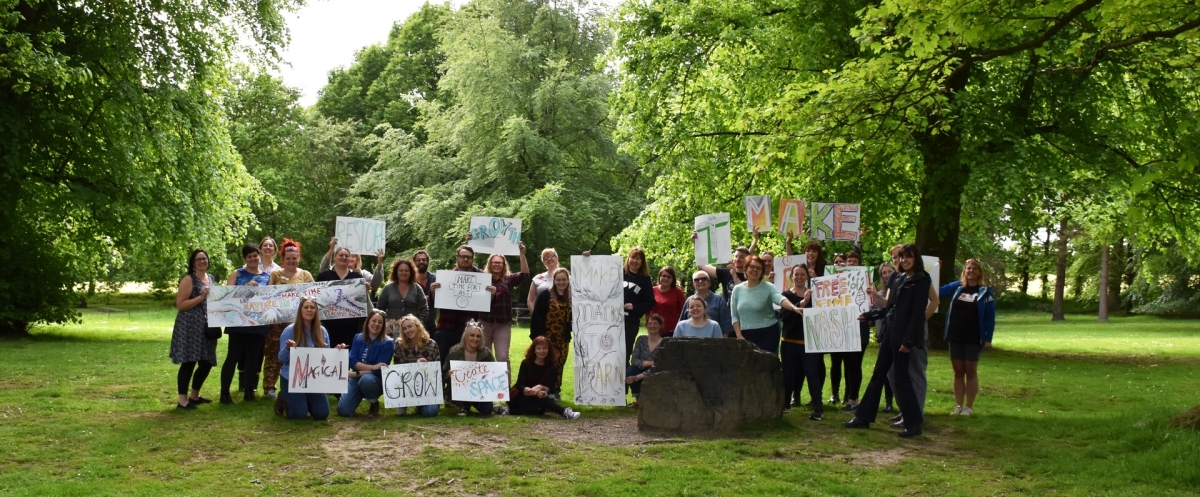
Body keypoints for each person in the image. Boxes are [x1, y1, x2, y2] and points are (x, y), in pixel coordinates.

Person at [845, 244, 937, 438]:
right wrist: (871, 314)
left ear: (916, 259)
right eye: (902, 257)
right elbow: (891, 308)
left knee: (902, 378)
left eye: (908, 257)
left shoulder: (921, 280)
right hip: (890, 333)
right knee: (879, 373)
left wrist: (909, 340)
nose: (904, 260)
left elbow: (917, 315)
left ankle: (914, 423)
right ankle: (863, 417)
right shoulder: (899, 278)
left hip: (904, 336)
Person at [939, 258, 996, 416]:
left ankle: (968, 407)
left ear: (979, 273)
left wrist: (988, 339)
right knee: (958, 371)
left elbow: (990, 318)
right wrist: (937, 269)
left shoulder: (985, 292)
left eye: (974, 269)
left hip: (973, 337)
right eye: (968, 269)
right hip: (955, 335)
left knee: (970, 371)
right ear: (964, 271)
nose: (971, 271)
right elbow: (936, 291)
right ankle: (958, 405)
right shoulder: (956, 287)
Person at [219, 243, 271, 404]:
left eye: (255, 255)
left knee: (253, 359)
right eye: (249, 256)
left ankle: (249, 392)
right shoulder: (237, 273)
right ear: (245, 259)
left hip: (257, 324)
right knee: (232, 357)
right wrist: (245, 288)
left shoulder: (267, 277)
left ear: (259, 256)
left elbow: (269, 299)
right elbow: (226, 296)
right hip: (238, 323)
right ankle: (224, 393)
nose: (253, 259)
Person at [279, 297, 346, 420]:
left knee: (322, 414)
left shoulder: (322, 331)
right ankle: (284, 398)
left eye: (312, 307)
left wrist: (336, 352)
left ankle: (304, 400)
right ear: (300, 310)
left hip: (313, 378)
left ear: (316, 311)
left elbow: (326, 359)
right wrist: (288, 349)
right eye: (306, 307)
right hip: (292, 378)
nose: (309, 310)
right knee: (299, 415)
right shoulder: (290, 330)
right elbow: (281, 359)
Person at [263, 239, 313, 401]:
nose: (291, 261)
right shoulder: (275, 274)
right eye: (288, 258)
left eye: (294, 258)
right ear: (283, 259)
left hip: (300, 322)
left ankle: (302, 382)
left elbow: (315, 296)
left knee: (302, 351)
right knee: (274, 353)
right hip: (277, 322)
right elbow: (267, 296)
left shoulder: (306, 275)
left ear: (299, 258)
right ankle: (269, 387)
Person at [169, 249, 219, 409]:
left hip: (207, 326)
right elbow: (181, 305)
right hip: (190, 326)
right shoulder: (188, 279)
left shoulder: (210, 278)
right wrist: (200, 297)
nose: (202, 261)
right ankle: (182, 401)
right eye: (199, 259)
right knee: (189, 362)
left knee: (207, 362)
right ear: (193, 262)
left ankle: (195, 395)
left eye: (204, 259)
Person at [730, 255, 805, 354]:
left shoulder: (768, 287)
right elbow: (734, 315)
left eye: (759, 268)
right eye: (752, 267)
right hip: (745, 334)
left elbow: (780, 299)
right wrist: (739, 335)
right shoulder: (737, 289)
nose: (755, 270)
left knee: (765, 365)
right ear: (746, 269)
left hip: (768, 333)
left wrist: (793, 307)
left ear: (762, 272)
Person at [429, 245, 486, 367]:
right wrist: (433, 292)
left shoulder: (481, 279)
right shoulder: (446, 278)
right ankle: (441, 385)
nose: (465, 259)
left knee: (464, 364)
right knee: (440, 362)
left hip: (467, 330)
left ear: (472, 259)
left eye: (468, 257)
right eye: (462, 257)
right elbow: (433, 303)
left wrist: (491, 294)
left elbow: (486, 304)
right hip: (445, 327)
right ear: (457, 259)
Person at [337, 310, 395, 417]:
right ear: (367, 322)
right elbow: (353, 362)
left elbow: (378, 371)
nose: (376, 324)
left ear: (383, 326)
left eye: (380, 322)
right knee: (344, 411)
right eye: (373, 321)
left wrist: (354, 374)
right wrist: (372, 367)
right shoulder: (358, 338)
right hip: (357, 378)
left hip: (375, 381)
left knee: (366, 380)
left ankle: (374, 403)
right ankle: (358, 394)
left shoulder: (388, 343)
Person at [780, 265, 821, 418]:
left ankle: (818, 409)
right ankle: (785, 404)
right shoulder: (785, 295)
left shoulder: (816, 295)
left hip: (809, 342)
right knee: (787, 374)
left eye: (802, 274)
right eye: (796, 274)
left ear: (807, 277)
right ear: (792, 276)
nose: (799, 277)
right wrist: (802, 303)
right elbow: (784, 316)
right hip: (789, 341)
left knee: (812, 374)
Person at [834, 251, 873, 414]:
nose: (850, 263)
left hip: (859, 327)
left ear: (860, 264)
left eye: (854, 261)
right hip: (843, 327)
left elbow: (872, 303)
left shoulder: (867, 281)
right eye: (848, 261)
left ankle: (853, 399)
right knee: (848, 364)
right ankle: (849, 398)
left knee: (855, 365)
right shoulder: (836, 281)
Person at [315, 245, 373, 352]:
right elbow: (317, 299)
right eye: (341, 255)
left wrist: (364, 290)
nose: (344, 257)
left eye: (347, 255)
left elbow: (361, 303)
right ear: (335, 257)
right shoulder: (324, 276)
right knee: (328, 353)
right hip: (328, 324)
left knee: (347, 354)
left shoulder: (357, 277)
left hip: (351, 325)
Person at [508, 336, 581, 419]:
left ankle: (509, 411)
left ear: (549, 350)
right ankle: (564, 412)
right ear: (534, 350)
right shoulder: (525, 363)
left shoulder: (553, 367)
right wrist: (533, 392)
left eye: (544, 348)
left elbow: (550, 388)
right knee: (540, 405)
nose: (542, 351)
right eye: (538, 348)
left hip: (539, 397)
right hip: (521, 395)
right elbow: (520, 385)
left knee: (540, 409)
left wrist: (542, 389)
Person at [480, 243, 530, 363]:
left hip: (502, 324)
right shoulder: (481, 277)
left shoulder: (509, 279)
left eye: (499, 263)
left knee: (502, 358)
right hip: (484, 323)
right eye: (494, 262)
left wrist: (522, 254)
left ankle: (505, 382)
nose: (497, 265)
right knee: (485, 358)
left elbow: (525, 274)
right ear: (490, 264)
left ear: (504, 265)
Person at [529, 267, 572, 398]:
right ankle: (543, 389)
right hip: (546, 337)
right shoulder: (545, 295)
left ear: (568, 281)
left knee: (560, 363)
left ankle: (555, 390)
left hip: (562, 338)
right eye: (558, 279)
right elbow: (536, 316)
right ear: (554, 280)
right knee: (546, 363)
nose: (561, 282)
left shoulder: (570, 297)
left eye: (564, 279)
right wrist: (537, 337)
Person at [444, 322, 501, 416]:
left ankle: (481, 406)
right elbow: (443, 374)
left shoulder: (486, 353)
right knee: (462, 405)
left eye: (478, 336)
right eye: (472, 335)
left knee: (487, 410)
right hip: (458, 392)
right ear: (466, 336)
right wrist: (448, 375)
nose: (475, 339)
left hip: (479, 390)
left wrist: (501, 373)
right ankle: (462, 407)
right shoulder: (455, 352)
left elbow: (493, 372)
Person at [393, 314, 442, 416]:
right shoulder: (400, 345)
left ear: (417, 326)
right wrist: (416, 367)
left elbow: (437, 371)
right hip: (407, 386)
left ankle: (420, 406)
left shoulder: (432, 344)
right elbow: (398, 369)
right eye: (404, 328)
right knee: (400, 415)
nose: (408, 330)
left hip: (426, 387)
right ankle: (405, 404)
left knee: (430, 412)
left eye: (410, 326)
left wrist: (425, 367)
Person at [376, 258, 429, 339]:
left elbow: (424, 309)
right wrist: (385, 323)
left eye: (406, 270)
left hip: (411, 331)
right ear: (396, 272)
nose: (403, 272)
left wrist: (417, 324)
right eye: (401, 270)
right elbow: (380, 309)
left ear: (411, 272)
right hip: (390, 332)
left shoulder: (416, 288)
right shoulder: (388, 288)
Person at [622, 248, 657, 364]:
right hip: (613, 320)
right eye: (633, 257)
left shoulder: (645, 279)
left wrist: (635, 307)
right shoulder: (619, 273)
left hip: (630, 323)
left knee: (624, 354)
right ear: (628, 259)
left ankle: (624, 381)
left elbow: (650, 302)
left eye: (638, 259)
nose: (635, 261)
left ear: (642, 262)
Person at [626, 314, 666, 406]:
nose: (652, 326)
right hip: (642, 367)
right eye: (650, 323)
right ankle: (638, 399)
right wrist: (650, 363)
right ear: (646, 325)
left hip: (655, 371)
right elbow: (634, 360)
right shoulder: (641, 339)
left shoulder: (665, 343)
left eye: (655, 323)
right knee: (630, 370)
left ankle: (649, 400)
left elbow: (660, 366)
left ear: (661, 326)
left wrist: (637, 377)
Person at [679, 270, 733, 336]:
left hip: (714, 341)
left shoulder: (719, 300)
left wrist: (722, 344)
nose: (700, 281)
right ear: (694, 285)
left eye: (704, 279)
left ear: (709, 283)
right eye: (697, 280)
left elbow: (726, 326)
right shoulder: (689, 300)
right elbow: (682, 322)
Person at [320, 237, 385, 290]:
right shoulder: (330, 272)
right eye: (342, 255)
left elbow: (375, 285)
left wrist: (379, 263)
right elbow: (322, 271)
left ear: (357, 259)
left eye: (353, 256)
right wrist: (331, 249)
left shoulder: (362, 274)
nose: (349, 258)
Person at [650, 266, 685, 337]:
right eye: (664, 276)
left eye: (669, 277)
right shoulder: (652, 290)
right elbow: (647, 311)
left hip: (672, 331)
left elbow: (683, 311)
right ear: (659, 277)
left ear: (673, 279)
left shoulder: (677, 291)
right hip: (655, 329)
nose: (666, 278)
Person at [527, 248, 561, 312]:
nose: (549, 259)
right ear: (543, 262)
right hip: (542, 316)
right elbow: (530, 301)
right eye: (545, 258)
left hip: (563, 316)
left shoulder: (568, 278)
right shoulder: (537, 278)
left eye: (551, 256)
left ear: (557, 258)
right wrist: (536, 315)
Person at [412, 250, 438, 333]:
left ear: (428, 262)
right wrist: (427, 297)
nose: (421, 262)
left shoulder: (436, 279)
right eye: (418, 260)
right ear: (414, 262)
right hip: (413, 324)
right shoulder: (409, 281)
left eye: (424, 260)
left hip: (431, 324)